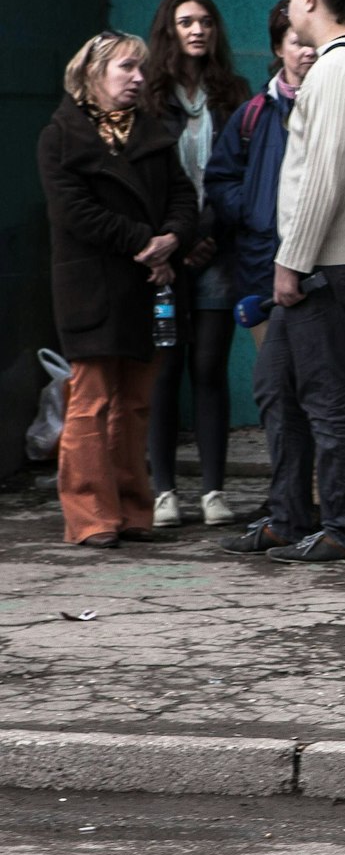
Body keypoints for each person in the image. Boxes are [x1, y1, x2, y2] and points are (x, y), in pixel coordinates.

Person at [220, 0, 345, 564]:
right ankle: (288, 515)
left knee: (325, 396)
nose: (289, 13)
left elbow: (322, 177)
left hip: (332, 259)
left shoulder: (335, 70)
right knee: (276, 384)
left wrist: (289, 263)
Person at [37, 31, 198, 547]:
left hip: (149, 282)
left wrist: (172, 238)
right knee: (91, 400)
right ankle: (89, 518)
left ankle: (132, 511)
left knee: (135, 401)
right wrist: (144, 242)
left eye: (141, 70)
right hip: (94, 286)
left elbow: (183, 197)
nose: (138, 79)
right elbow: (74, 213)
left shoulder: (152, 132)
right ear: (93, 72)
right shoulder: (61, 136)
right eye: (127, 68)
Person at [142, 0, 252, 529]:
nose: (197, 30)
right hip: (165, 253)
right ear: (169, 30)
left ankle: (213, 491)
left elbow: (243, 174)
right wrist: (173, 240)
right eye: (185, 21)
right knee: (166, 370)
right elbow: (143, 179)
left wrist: (210, 234)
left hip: (218, 246)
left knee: (209, 365)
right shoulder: (149, 96)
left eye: (206, 21)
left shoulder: (233, 94)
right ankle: (164, 491)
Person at [204, 0, 320, 349]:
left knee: (315, 381)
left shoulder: (333, 108)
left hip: (318, 272)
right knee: (273, 380)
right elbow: (220, 178)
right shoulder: (252, 115)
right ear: (277, 48)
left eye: (314, 43)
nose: (309, 52)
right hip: (261, 269)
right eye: (298, 42)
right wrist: (253, 210)